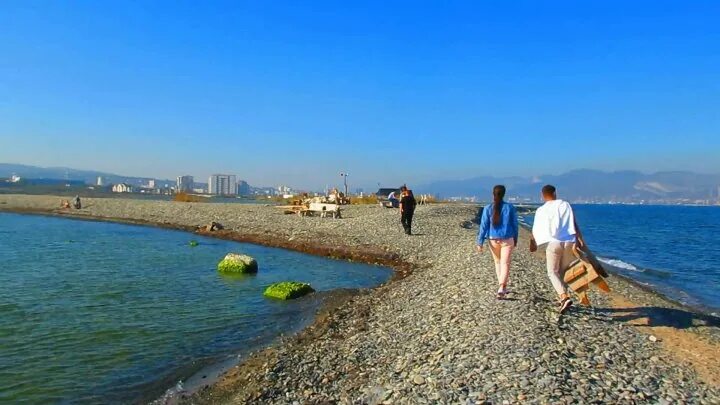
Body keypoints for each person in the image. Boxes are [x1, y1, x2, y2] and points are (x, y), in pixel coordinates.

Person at [529, 184, 586, 314]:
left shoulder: (541, 210)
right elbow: (573, 223)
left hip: (553, 244)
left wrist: (533, 243)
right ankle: (563, 298)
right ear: (555, 193)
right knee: (562, 271)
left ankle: (563, 296)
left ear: (542, 196)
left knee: (552, 272)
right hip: (569, 242)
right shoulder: (565, 204)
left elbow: (536, 228)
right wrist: (580, 238)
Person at [476, 185, 519, 299]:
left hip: (492, 239)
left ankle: (501, 285)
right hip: (507, 238)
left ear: (493, 194)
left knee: (498, 262)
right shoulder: (510, 207)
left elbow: (483, 226)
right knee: (505, 263)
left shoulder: (487, 208)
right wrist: (516, 238)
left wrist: (479, 242)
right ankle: (502, 286)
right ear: (504, 194)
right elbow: (515, 224)